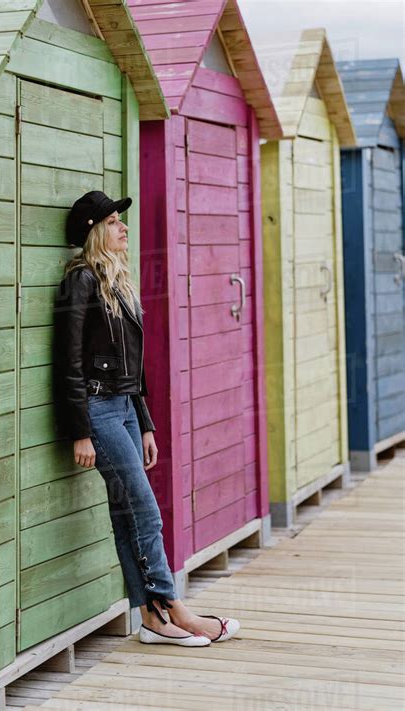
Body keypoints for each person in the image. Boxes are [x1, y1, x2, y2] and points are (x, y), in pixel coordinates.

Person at [52, 190, 240, 646]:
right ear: (96, 230)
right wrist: (81, 432)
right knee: (145, 511)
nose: (124, 228)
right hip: (96, 409)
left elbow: (132, 365)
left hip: (126, 408)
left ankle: (151, 620)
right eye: (115, 221)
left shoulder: (118, 282)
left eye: (122, 220)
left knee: (126, 513)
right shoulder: (80, 281)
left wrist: (147, 422)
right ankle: (173, 606)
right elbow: (68, 361)